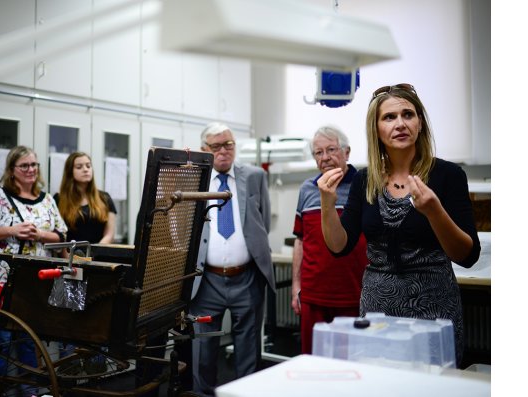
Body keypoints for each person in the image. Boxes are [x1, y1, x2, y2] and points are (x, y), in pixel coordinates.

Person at [316, 83, 481, 364]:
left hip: (433, 307)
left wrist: (434, 212)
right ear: (376, 128)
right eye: (389, 117)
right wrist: (327, 203)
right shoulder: (364, 180)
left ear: (420, 124)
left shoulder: (448, 175)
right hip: (378, 309)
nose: (400, 123)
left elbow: (468, 255)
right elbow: (339, 247)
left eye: (408, 114)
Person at [189, 122, 275, 396]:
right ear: (205, 150)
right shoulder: (196, 179)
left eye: (229, 144)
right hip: (206, 281)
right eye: (216, 146)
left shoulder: (254, 176)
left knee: (248, 348)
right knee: (202, 350)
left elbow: (263, 223)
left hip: (247, 277)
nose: (224, 151)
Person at [0, 145, 68, 389]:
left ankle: (31, 393)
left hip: (35, 284)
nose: (30, 170)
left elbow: (62, 235)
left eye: (34, 165)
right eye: (24, 165)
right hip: (1, 284)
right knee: (0, 343)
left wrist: (40, 235)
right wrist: (12, 230)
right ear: (12, 170)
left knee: (30, 343)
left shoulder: (47, 200)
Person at [291, 126, 368, 355]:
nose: (325, 158)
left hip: (355, 294)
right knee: (314, 362)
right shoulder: (307, 189)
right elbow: (300, 240)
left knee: (353, 363)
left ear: (347, 152)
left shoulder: (364, 185)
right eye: (318, 152)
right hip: (314, 295)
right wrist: (297, 285)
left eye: (331, 149)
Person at [54, 151, 117, 244]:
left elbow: (109, 234)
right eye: (79, 167)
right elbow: (59, 235)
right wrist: (68, 257)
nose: (85, 169)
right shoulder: (59, 199)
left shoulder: (104, 198)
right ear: (70, 172)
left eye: (88, 166)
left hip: (99, 255)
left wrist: (94, 253)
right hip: (70, 255)